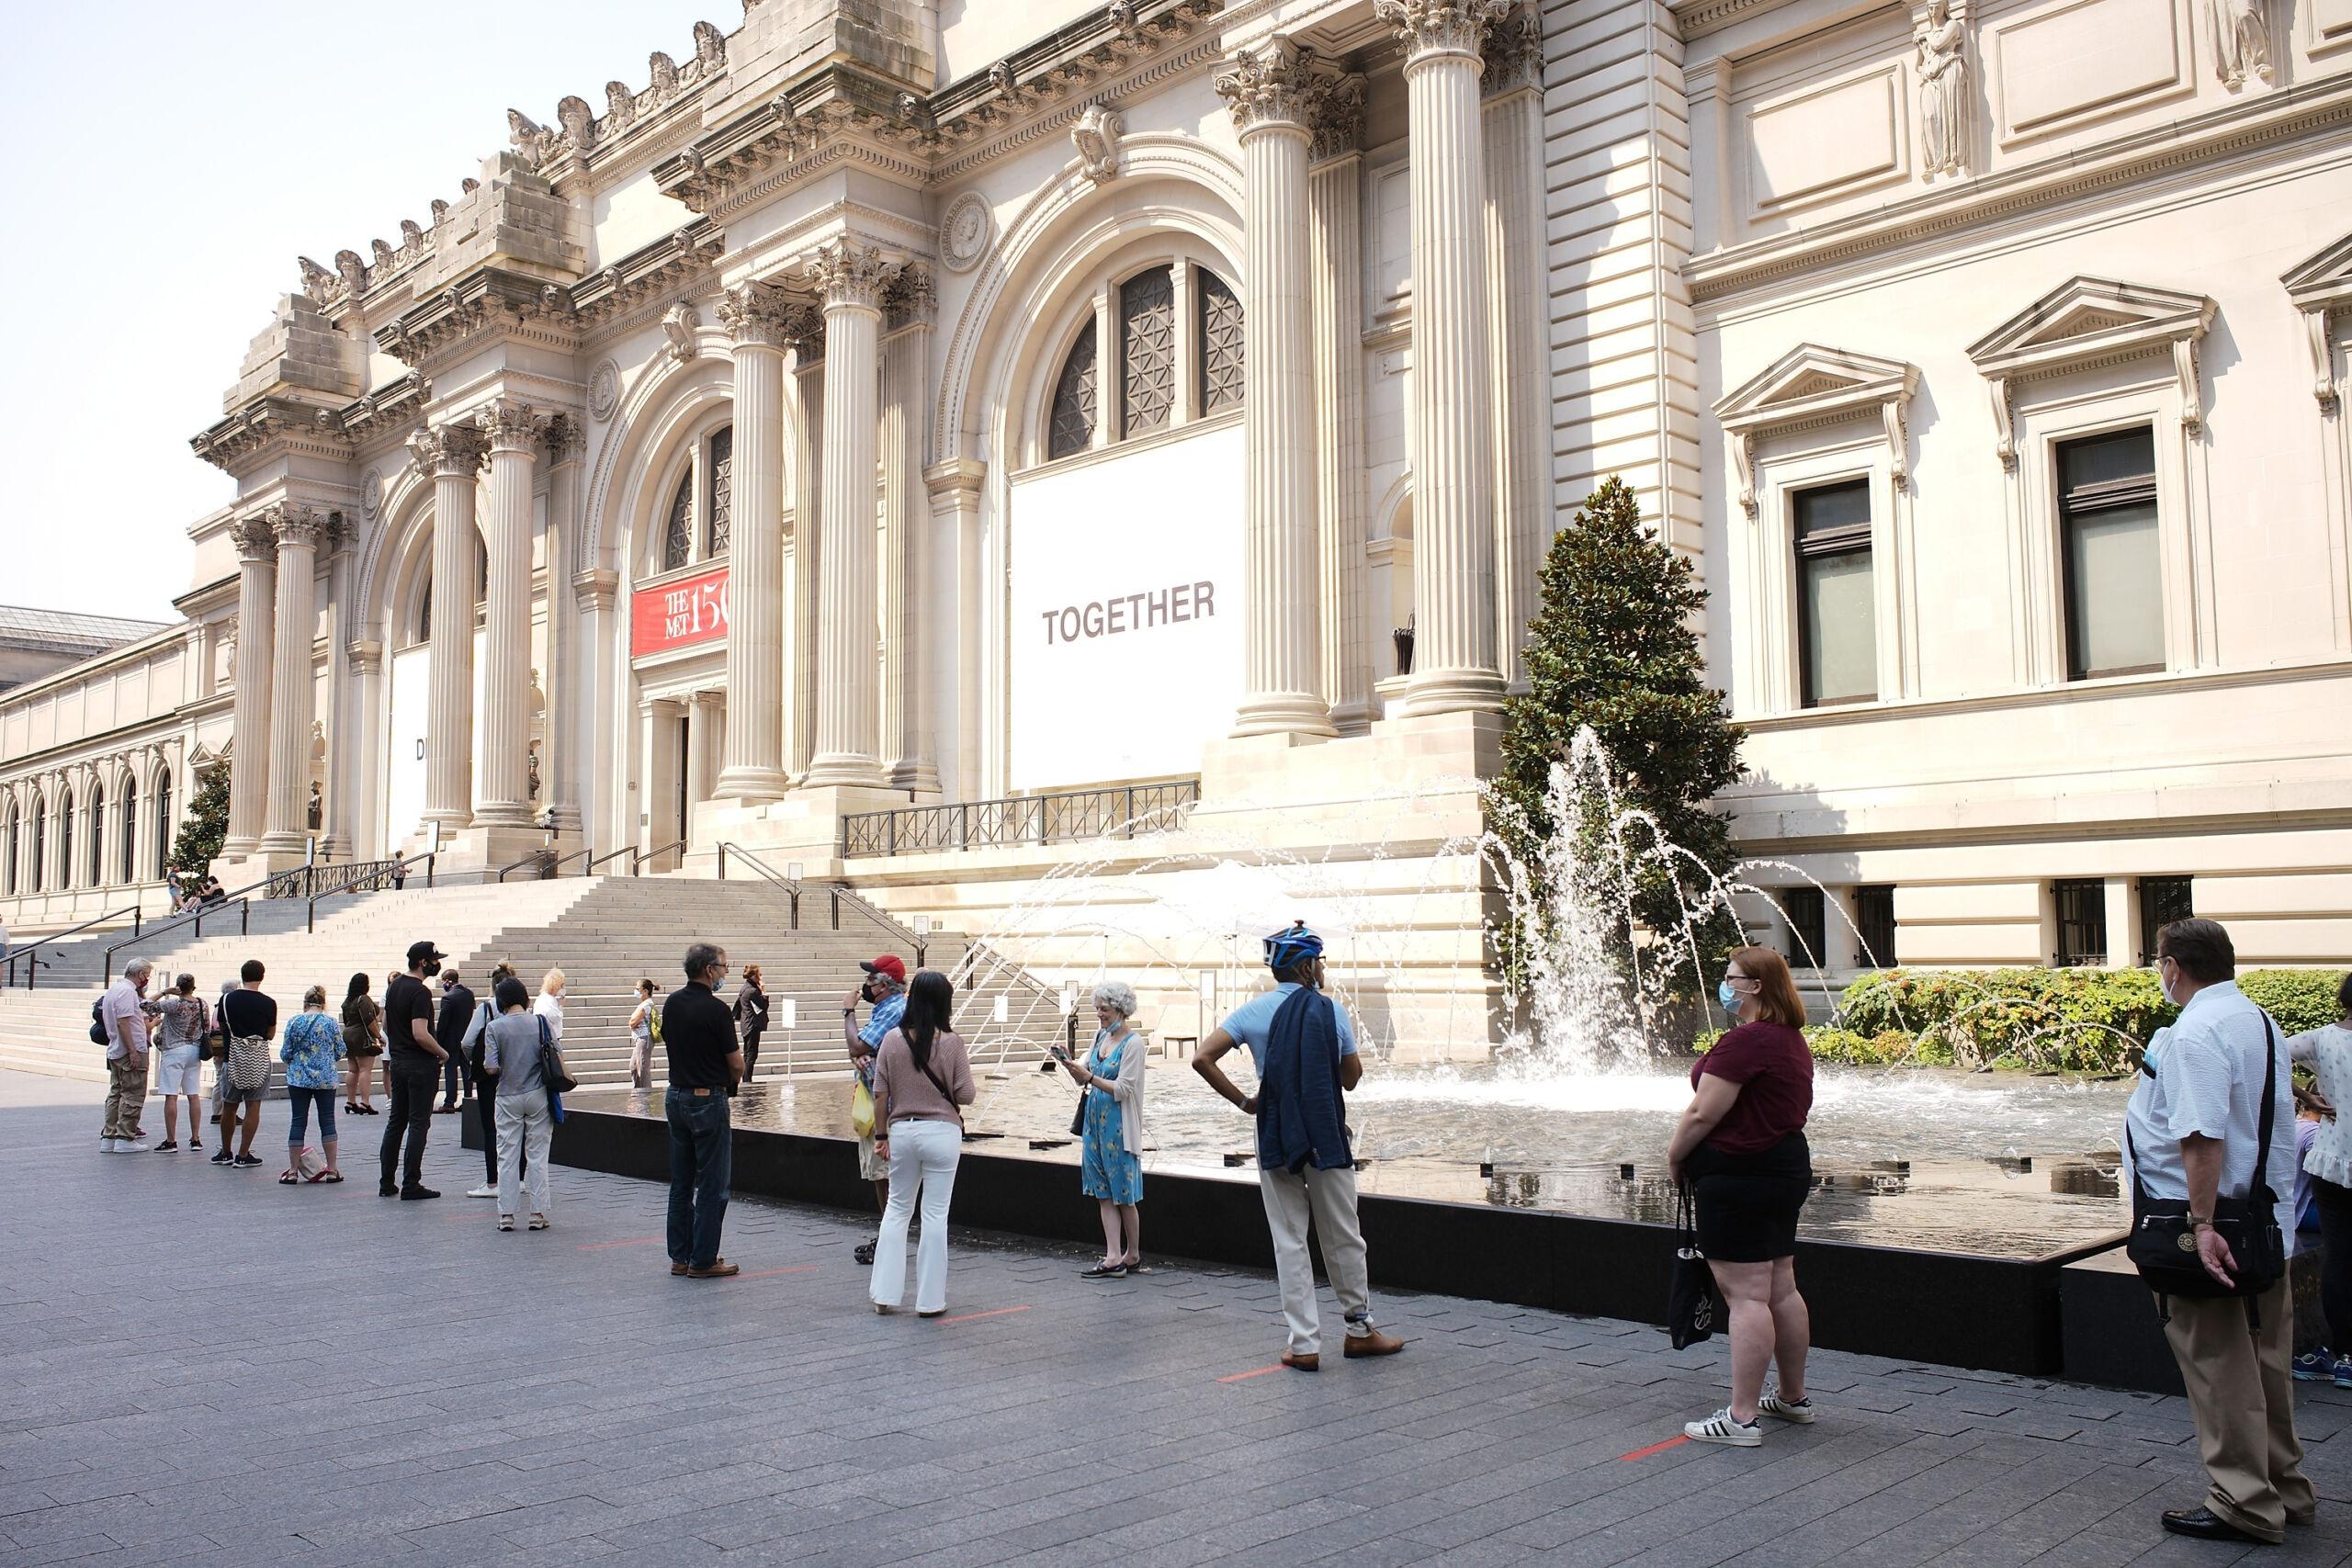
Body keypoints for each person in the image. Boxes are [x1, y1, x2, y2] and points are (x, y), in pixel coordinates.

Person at [2125, 919, 2312, 1544]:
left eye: (2159, 962)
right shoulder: (2256, 1019)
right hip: (2263, 1221)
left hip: (2214, 1227)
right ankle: (2285, 1488)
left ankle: (2244, 1501)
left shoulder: (2197, 1030)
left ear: (2174, 965)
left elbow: (2201, 1135)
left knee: (2219, 1363)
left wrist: (2200, 1225)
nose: (2159, 973)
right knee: (2264, 1361)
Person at [1193, 922, 1404, 1371]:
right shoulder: (1331, 1012)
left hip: (1274, 1128)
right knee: (1343, 1233)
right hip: (1324, 1130)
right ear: (1307, 966)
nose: (1323, 969)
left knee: (1289, 1238)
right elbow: (1350, 1078)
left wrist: (1246, 1102)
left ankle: (1304, 1344)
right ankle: (1360, 1331)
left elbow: (1201, 1058)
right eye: (1319, 961)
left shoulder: (1251, 1012)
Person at [1667, 944, 1816, 1448]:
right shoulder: (1791, 1040)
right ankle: (1792, 1398)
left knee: (1746, 1295)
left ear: (1754, 986)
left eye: (1731, 978)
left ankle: (1741, 1418)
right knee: (1780, 1288)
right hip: (1783, 1168)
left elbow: (1702, 1114)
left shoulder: (1744, 1042)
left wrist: (1674, 1156)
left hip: (1738, 1174)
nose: (1724, 986)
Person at [870, 969, 976, 1316]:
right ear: (944, 1003)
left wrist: (882, 1134)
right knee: (934, 1215)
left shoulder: (892, 1040)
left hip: (902, 1132)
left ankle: (884, 1295)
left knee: (897, 1210)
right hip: (942, 1133)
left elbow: (880, 1093)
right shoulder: (952, 1042)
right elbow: (967, 1095)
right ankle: (930, 1302)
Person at [1053, 979, 1147, 1277]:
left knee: (1124, 1193)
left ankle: (1132, 1254)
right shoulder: (1099, 1037)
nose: (1099, 1014)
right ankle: (1113, 1256)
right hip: (1094, 1124)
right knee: (1103, 1192)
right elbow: (1085, 1079)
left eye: (1104, 1009)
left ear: (1120, 1009)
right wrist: (1070, 1065)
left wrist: (1090, 1078)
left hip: (1119, 1127)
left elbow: (1124, 1089)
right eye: (1097, 1009)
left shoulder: (1134, 1044)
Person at [663, 943, 742, 1279]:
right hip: (707, 1099)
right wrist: (731, 1081)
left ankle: (680, 1257)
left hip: (676, 1096)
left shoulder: (672, 1003)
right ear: (709, 970)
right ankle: (704, 1259)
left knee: (681, 1181)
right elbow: (736, 1063)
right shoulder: (717, 1010)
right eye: (724, 967)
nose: (725, 973)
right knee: (713, 1183)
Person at [2289, 972, 2352, 1389]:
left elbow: (2267, 1051)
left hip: (2335, 1162)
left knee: (2341, 1259)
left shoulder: (2321, 1039)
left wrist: (2306, 1096)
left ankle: (2344, 1356)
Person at [843, 953, 908, 1266]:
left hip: (889, 1109)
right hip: (881, 1104)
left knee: (885, 1175)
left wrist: (848, 1011)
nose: (866, 984)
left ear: (884, 984)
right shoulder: (888, 1009)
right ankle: (888, 1235)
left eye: (871, 979)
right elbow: (863, 1051)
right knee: (881, 1176)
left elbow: (857, 1046)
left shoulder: (893, 1010)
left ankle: (891, 1239)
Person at [481, 975, 554, 1232]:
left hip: (507, 1095)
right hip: (537, 1093)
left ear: (501, 1001)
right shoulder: (540, 1022)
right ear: (524, 998)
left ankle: (506, 1215)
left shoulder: (495, 1027)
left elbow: (490, 1068)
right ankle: (537, 1213)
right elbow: (556, 1053)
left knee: (507, 1155)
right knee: (537, 1155)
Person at [379, 941, 451, 1200]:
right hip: (420, 1066)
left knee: (396, 1122)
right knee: (418, 1123)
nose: (436, 964)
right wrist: (442, 1053)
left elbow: (385, 1024)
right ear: (423, 962)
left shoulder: (395, 985)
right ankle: (411, 1183)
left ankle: (386, 1182)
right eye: (434, 960)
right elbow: (420, 1033)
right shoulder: (419, 992)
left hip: (398, 1063)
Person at [461, 961, 520, 1199]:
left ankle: (493, 1181)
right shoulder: (522, 1012)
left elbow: (467, 1042)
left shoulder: (485, 1010)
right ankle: (520, 1178)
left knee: (490, 1127)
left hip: (488, 1077)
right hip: (516, 1074)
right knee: (517, 1126)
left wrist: (476, 1059)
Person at [278, 985, 346, 1184]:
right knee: (327, 1121)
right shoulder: (330, 1022)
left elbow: (285, 1053)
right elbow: (341, 1050)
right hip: (325, 1078)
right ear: (323, 1003)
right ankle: (332, 1169)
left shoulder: (294, 1021)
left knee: (298, 1121)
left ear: (305, 1003)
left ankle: (292, 1171)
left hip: (299, 1078)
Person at [213, 960, 275, 1169]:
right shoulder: (268, 1003)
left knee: (229, 1106)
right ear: (262, 976)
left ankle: (225, 1151)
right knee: (253, 1106)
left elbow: (222, 1026)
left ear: (242, 976)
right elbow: (271, 1033)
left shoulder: (226, 999)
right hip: (258, 1059)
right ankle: (243, 1153)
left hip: (233, 1058)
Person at [99, 958, 159, 1153]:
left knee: (116, 1092)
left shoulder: (116, 990)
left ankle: (110, 1135)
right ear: (140, 974)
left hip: (117, 1049)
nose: (146, 979)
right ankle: (125, 1137)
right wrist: (133, 1051)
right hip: (128, 1049)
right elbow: (123, 1023)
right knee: (132, 1093)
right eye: (147, 975)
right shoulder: (127, 992)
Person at [150, 972, 209, 1154]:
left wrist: (164, 992)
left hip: (174, 1049)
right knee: (193, 1094)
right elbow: (205, 1026)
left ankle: (171, 1140)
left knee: (171, 1095)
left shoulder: (174, 1003)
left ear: (178, 988)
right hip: (194, 1049)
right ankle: (196, 1138)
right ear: (193, 987)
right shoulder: (202, 1003)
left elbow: (145, 1005)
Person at [435, 967, 475, 1114]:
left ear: (447, 981)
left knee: (451, 1071)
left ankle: (449, 1102)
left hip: (450, 1041)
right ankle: (468, 1098)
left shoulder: (448, 998)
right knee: (466, 1070)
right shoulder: (469, 994)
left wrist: (438, 1041)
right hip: (465, 1038)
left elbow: (443, 1022)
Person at [341, 973, 383, 1113]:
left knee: (352, 1069)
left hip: (348, 1034)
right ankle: (365, 1102)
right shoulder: (363, 999)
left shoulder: (348, 1001)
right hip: (361, 1035)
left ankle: (350, 1101)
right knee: (365, 1069)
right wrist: (379, 1036)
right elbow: (369, 1019)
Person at [734, 964, 771, 1082]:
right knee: (751, 1054)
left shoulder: (745, 988)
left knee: (748, 1053)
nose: (761, 977)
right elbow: (764, 1006)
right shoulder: (752, 991)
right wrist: (764, 992)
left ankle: (746, 1078)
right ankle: (747, 1079)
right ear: (754, 976)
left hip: (747, 1024)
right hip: (752, 1025)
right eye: (759, 974)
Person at [628, 978, 661, 1091]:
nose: (636, 991)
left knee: (642, 1068)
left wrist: (631, 1022)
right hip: (639, 1038)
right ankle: (638, 1091)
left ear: (646, 991)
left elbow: (632, 1023)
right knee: (634, 1066)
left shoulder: (646, 1004)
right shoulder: (644, 1004)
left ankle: (646, 1096)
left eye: (638, 989)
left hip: (644, 1039)